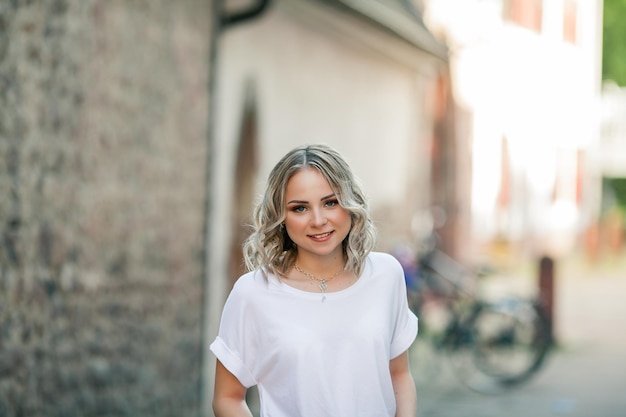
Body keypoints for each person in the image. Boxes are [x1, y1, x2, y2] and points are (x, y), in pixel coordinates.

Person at [210, 144, 418, 417]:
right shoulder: (253, 293)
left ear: (350, 203)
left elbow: (399, 374)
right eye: (300, 208)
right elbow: (227, 398)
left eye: (330, 202)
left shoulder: (386, 275)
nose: (318, 220)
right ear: (281, 217)